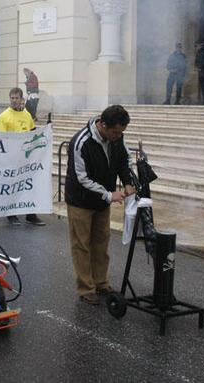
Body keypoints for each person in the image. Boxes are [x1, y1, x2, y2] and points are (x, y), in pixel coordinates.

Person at [65, 105, 135, 305]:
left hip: (103, 201)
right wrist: (108, 195)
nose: (118, 136)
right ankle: (86, 288)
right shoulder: (81, 142)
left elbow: (123, 160)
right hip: (81, 200)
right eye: (115, 132)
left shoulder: (117, 137)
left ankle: (101, 282)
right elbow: (82, 179)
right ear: (103, 125)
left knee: (101, 243)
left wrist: (128, 182)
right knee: (82, 245)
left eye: (121, 132)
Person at [0, 87, 44, 226]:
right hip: (11, 158)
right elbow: (1, 139)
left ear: (22, 99)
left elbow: (33, 133)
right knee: (13, 186)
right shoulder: (3, 116)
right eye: (12, 98)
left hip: (26, 158)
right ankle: (11, 214)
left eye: (17, 98)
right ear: (9, 98)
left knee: (29, 185)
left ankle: (31, 215)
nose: (15, 100)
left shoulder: (27, 115)